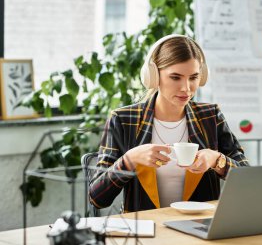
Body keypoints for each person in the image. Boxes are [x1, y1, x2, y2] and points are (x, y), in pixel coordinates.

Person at [89, 34, 249, 212]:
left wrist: (217, 160)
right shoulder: (123, 120)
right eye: (175, 77)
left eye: (193, 77)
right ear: (154, 76)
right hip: (146, 230)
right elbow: (97, 198)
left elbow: (248, 180)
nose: (186, 88)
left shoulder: (211, 116)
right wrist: (129, 160)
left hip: (199, 228)